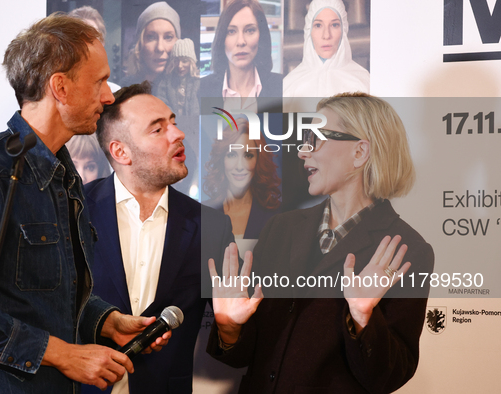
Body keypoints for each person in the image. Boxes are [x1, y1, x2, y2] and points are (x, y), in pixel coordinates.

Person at [0, 14, 169, 394]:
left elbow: (46, 296)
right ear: (61, 87)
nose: (108, 97)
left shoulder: (65, 176)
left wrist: (108, 322)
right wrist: (65, 354)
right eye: (100, 81)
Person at [206, 93, 435, 393]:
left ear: (359, 152)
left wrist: (364, 318)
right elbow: (247, 354)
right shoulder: (281, 228)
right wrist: (229, 328)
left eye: (315, 140)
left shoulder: (408, 250)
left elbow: (387, 377)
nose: (302, 152)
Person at [84, 82, 234, 394]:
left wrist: (232, 328)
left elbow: (239, 341)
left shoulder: (212, 226)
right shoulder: (73, 212)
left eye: (174, 122)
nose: (178, 134)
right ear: (120, 151)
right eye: (158, 129)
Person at [203, 118, 280, 242]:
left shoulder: (275, 216)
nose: (239, 166)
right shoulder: (203, 213)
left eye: (248, 155)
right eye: (232, 155)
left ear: (258, 160)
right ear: (222, 160)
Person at [199, 0, 282, 111]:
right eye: (231, 31)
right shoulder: (201, 90)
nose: (241, 41)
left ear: (261, 36)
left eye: (250, 30)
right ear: (222, 38)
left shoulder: (283, 88)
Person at [283, 0, 370, 98]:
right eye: (318, 25)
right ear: (309, 31)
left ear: (344, 30)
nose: (326, 35)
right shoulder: (289, 85)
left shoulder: (364, 81)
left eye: (334, 25)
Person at [120, 2, 180, 86]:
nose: (160, 48)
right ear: (140, 44)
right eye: (151, 37)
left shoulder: (190, 89)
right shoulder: (125, 87)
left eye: (168, 37)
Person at [69, 5, 121, 93]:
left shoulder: (115, 93)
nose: (87, 44)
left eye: (93, 37)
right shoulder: (56, 92)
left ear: (102, 44)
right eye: (80, 37)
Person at [154, 38, 200, 116]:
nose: (179, 66)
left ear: (191, 63)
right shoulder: (166, 81)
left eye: (184, 61)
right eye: (176, 61)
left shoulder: (198, 82)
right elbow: (161, 103)